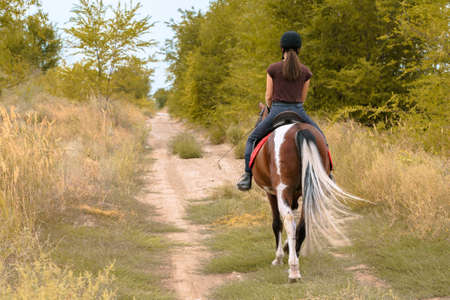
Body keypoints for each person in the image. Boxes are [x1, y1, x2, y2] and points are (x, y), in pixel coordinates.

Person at [237, 31, 329, 191]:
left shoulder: (273, 69)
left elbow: (268, 96)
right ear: (299, 49)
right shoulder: (305, 71)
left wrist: (271, 107)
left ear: (282, 49)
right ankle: (328, 175)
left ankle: (247, 176)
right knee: (322, 138)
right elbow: (303, 97)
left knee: (251, 139)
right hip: (298, 111)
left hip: (276, 111)